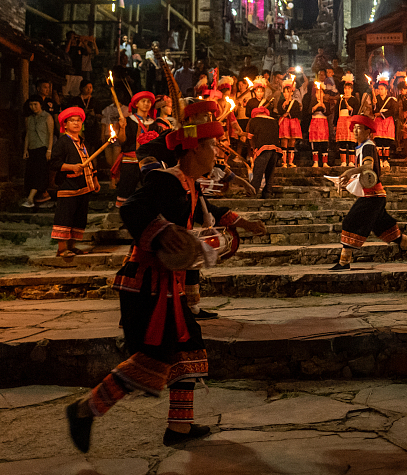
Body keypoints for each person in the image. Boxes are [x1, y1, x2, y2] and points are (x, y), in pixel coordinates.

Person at [65, 119, 266, 454]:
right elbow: (133, 207)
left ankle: (179, 427)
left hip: (167, 288)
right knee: (154, 358)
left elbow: (210, 210)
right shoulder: (164, 179)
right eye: (212, 146)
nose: (217, 152)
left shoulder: (189, 185)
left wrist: (244, 223)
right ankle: (85, 410)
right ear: (194, 148)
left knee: (188, 349)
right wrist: (161, 231)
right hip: (145, 286)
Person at [330, 114, 407, 270]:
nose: (355, 131)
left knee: (351, 221)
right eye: (354, 128)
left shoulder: (368, 146)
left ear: (368, 131)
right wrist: (347, 180)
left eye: (359, 128)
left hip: (373, 196)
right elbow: (364, 174)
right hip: (375, 195)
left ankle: (344, 262)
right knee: (385, 229)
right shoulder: (362, 147)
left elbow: (368, 167)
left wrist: (349, 171)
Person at [50, 107, 99, 258]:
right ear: (65, 124)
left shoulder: (81, 142)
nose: (76, 123)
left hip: (83, 186)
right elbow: (54, 163)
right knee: (65, 216)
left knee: (79, 217)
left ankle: (72, 246)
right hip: (68, 186)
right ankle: (62, 249)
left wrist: (95, 179)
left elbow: (89, 162)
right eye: (72, 121)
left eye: (78, 120)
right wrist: (71, 167)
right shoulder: (63, 142)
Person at [114, 91, 156, 208]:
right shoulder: (127, 121)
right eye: (143, 101)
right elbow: (122, 141)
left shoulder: (153, 123)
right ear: (136, 104)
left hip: (148, 162)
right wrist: (122, 128)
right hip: (130, 162)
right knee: (127, 191)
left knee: (147, 190)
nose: (146, 104)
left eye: (149, 101)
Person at [23, 96, 55, 208]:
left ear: (40, 104)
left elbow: (51, 134)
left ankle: (30, 198)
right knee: (31, 174)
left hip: (43, 148)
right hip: (32, 148)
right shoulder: (30, 118)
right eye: (31, 105)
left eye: (35, 104)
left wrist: (49, 150)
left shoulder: (47, 117)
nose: (33, 107)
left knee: (39, 173)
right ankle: (35, 197)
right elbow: (28, 134)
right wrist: (25, 150)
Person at [247, 105, 283, 198]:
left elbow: (250, 137)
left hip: (262, 149)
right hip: (275, 149)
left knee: (258, 173)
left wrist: (254, 148)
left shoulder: (253, 120)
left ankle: (253, 193)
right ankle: (267, 193)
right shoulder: (274, 121)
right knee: (270, 174)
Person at [333, 75, 359, 167]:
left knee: (352, 142)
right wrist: (335, 124)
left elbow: (357, 111)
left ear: (351, 90)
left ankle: (351, 161)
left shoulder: (354, 100)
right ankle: (343, 161)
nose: (347, 90)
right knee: (342, 142)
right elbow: (336, 112)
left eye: (349, 88)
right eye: (345, 88)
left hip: (350, 121)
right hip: (341, 122)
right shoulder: (340, 100)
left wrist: (351, 109)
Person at [372, 76, 397, 170]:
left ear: (386, 89)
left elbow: (393, 111)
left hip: (387, 122)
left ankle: (385, 160)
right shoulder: (376, 99)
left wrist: (381, 114)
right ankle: (379, 160)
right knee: (378, 141)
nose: (380, 91)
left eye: (382, 89)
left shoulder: (391, 99)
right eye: (379, 89)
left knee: (386, 142)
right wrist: (374, 106)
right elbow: (373, 111)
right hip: (378, 122)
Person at [276, 77, 302, 168]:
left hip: (293, 123)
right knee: (284, 142)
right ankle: (284, 162)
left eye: (288, 91)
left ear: (291, 92)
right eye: (285, 92)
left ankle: (290, 161)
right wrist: (284, 107)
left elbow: (297, 113)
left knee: (292, 142)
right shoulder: (280, 102)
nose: (286, 94)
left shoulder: (295, 103)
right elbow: (279, 111)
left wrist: (289, 113)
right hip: (284, 123)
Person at [307, 77, 330, 168]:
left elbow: (328, 112)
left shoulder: (326, 103)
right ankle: (315, 161)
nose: (319, 94)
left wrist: (323, 106)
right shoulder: (312, 102)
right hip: (315, 123)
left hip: (323, 123)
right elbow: (309, 111)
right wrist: (316, 106)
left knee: (324, 143)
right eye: (317, 92)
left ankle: (325, 162)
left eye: (320, 92)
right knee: (315, 142)